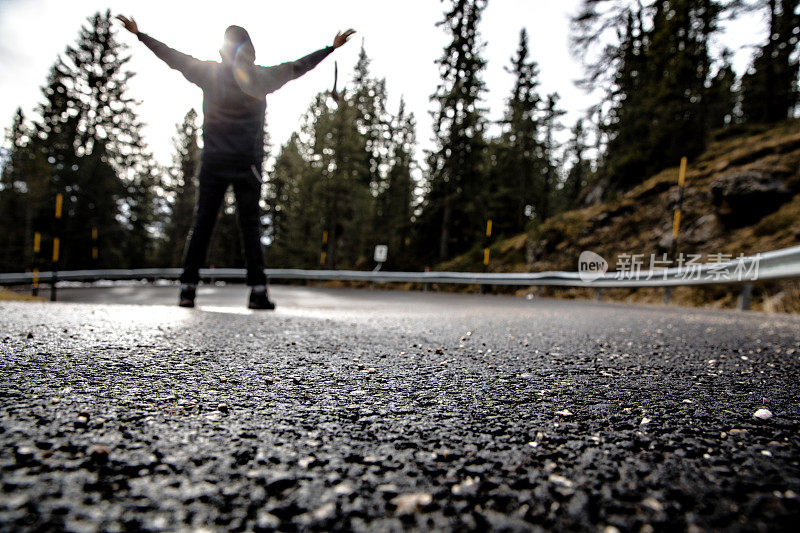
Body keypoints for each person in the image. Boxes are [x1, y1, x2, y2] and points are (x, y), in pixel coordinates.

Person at [116, 15, 355, 309]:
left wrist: (140, 35)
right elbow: (297, 68)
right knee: (250, 228)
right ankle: (257, 292)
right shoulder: (261, 77)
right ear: (250, 51)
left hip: (214, 161)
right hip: (247, 164)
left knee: (202, 224)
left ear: (222, 51)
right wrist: (330, 49)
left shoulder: (209, 74)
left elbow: (172, 57)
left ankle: (188, 289)